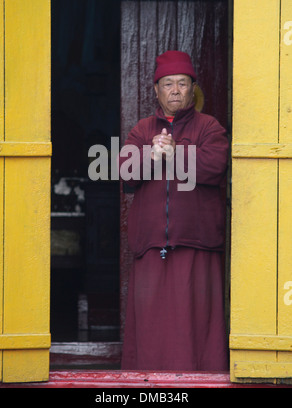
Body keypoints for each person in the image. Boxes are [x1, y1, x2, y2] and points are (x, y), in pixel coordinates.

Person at [119, 50, 229, 371]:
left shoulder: (209, 127)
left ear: (193, 88)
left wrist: (175, 153)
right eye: (168, 84)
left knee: (197, 324)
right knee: (153, 327)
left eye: (183, 83)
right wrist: (151, 157)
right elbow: (125, 173)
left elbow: (215, 166)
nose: (176, 90)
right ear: (157, 90)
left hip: (197, 245)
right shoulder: (142, 131)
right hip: (152, 245)